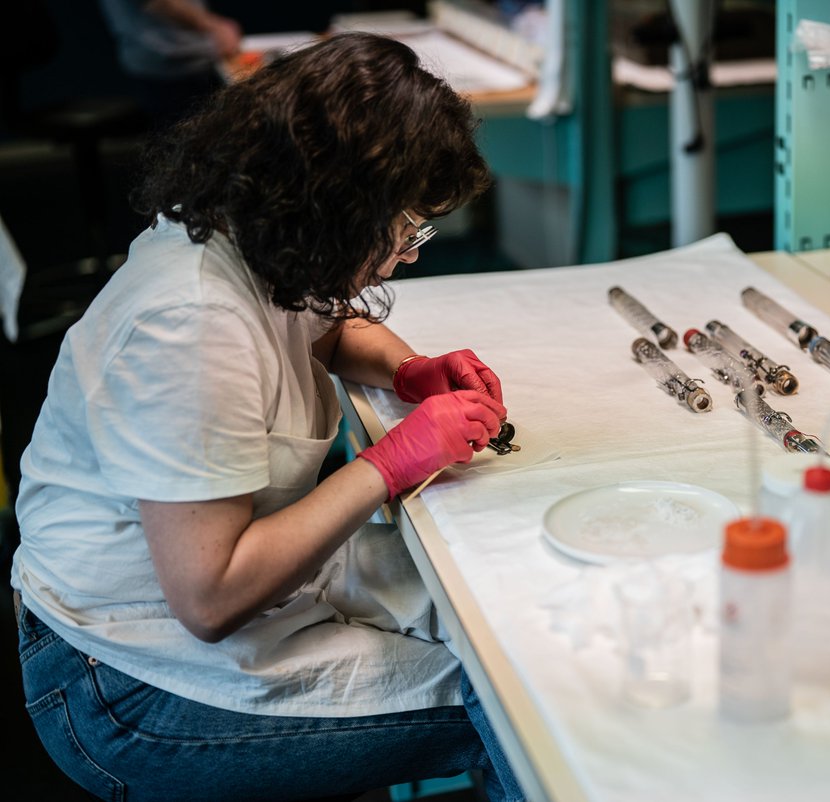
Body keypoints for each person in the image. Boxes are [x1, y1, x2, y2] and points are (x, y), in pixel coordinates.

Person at [11, 32, 524, 802]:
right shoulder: (190, 324)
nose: (412, 254)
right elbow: (210, 597)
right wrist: (388, 465)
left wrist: (404, 369)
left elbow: (321, 326)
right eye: (406, 230)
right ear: (338, 209)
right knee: (504, 701)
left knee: (492, 614)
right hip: (123, 680)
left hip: (209, 597)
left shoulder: (256, 231)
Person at [98, 0, 242, 126]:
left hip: (186, 59)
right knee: (188, 139)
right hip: (169, 64)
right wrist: (215, 26)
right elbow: (157, 2)